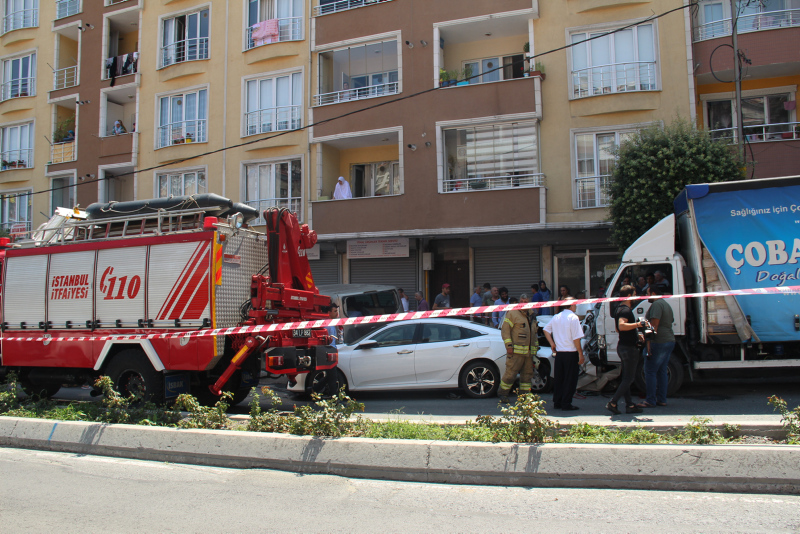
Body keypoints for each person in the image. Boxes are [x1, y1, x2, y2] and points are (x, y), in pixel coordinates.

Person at [605, 285, 644, 415]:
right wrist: (638, 325)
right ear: (628, 296)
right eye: (634, 294)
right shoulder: (625, 310)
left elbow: (618, 328)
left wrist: (635, 332)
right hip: (628, 348)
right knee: (629, 378)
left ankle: (629, 405)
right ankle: (613, 402)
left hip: (623, 346)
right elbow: (621, 326)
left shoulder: (619, 309)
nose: (636, 296)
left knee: (626, 378)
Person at [543, 297, 585, 411]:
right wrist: (581, 354)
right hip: (571, 353)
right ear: (571, 305)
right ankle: (566, 403)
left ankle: (558, 401)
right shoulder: (573, 318)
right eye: (575, 304)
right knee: (570, 379)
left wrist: (552, 343)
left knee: (559, 379)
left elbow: (546, 330)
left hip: (559, 353)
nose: (576, 306)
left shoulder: (557, 317)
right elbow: (576, 339)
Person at [498, 294, 539, 403]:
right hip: (516, 352)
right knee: (510, 374)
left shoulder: (532, 315)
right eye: (522, 301)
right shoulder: (512, 314)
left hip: (529, 354)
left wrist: (535, 348)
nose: (523, 303)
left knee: (527, 375)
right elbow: (505, 331)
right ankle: (503, 394)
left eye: (526, 301)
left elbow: (534, 333)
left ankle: (524, 396)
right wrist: (509, 346)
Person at [639, 283, 675, 408]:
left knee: (650, 371)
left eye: (647, 293)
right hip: (669, 340)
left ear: (653, 293)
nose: (645, 296)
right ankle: (662, 399)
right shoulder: (665, 304)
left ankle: (650, 400)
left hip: (659, 341)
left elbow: (653, 328)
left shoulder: (656, 304)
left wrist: (648, 345)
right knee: (662, 371)